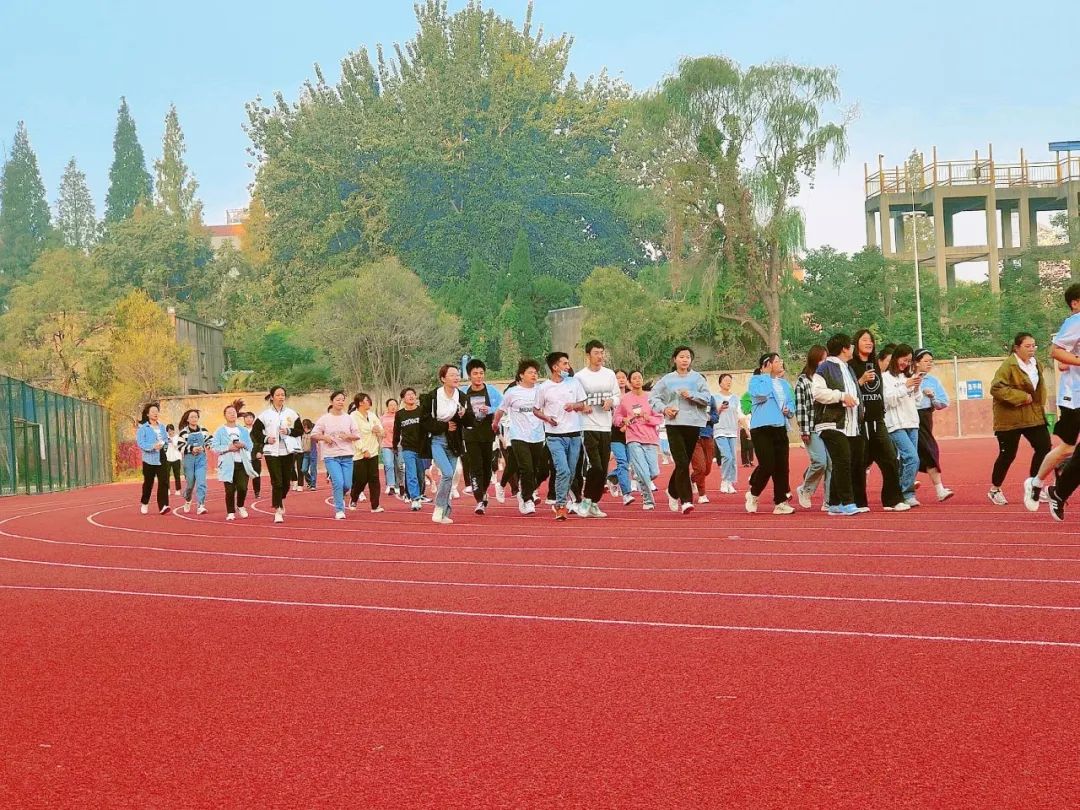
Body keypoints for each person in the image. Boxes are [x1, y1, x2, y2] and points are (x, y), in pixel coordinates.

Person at [1026, 283, 1080, 510]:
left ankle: (1061, 479)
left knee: (1071, 450)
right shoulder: (1075, 321)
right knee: (1067, 447)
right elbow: (1055, 351)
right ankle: (1037, 482)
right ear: (1075, 303)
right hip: (1074, 397)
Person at [648, 346, 713, 515]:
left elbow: (707, 398)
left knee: (682, 463)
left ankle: (672, 490)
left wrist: (691, 394)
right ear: (674, 359)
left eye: (688, 357)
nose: (685, 360)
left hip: (693, 424)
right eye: (681, 357)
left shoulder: (697, 379)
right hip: (674, 424)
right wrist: (664, 409)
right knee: (682, 462)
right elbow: (653, 397)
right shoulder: (667, 380)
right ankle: (686, 500)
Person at [987, 333, 1049, 505]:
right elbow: (996, 388)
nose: (1032, 350)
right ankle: (994, 489)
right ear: (1017, 348)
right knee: (1008, 455)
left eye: (1033, 346)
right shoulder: (1008, 366)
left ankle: (1034, 486)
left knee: (1044, 447)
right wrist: (1021, 396)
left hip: (1032, 415)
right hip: (1009, 418)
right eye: (1027, 346)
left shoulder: (1037, 364)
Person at [849, 330, 905, 512]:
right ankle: (859, 502)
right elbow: (847, 390)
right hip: (859, 422)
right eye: (864, 340)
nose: (869, 343)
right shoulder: (850, 365)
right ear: (856, 343)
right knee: (859, 463)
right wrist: (861, 381)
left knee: (890, 458)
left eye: (871, 340)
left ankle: (893, 500)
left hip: (878, 420)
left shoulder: (874, 364)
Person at [811, 334, 863, 516]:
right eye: (852, 345)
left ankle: (833, 503)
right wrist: (841, 396)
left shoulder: (848, 368)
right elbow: (817, 393)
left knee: (842, 461)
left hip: (848, 424)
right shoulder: (825, 367)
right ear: (844, 348)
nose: (854, 349)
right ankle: (848, 502)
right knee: (843, 461)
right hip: (830, 423)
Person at [534, 351, 588, 520]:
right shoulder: (544, 388)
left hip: (574, 434)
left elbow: (583, 404)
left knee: (571, 472)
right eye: (564, 364)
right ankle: (560, 505)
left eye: (568, 363)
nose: (568, 367)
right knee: (562, 470)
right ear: (555, 367)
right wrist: (547, 418)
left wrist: (574, 405)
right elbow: (536, 409)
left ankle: (562, 501)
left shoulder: (574, 383)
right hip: (554, 435)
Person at [573, 340, 622, 518]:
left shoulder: (609, 375)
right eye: (596, 353)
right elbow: (574, 401)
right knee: (596, 466)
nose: (600, 356)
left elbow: (617, 396)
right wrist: (582, 406)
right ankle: (585, 500)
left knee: (604, 468)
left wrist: (611, 402)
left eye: (602, 352)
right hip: (587, 426)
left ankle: (594, 503)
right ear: (588, 355)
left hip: (605, 426)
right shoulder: (579, 377)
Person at [494, 359, 548, 515]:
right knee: (526, 468)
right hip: (518, 436)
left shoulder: (541, 390)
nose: (534, 375)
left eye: (536, 372)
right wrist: (495, 424)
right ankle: (527, 499)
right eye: (530, 372)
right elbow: (501, 410)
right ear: (521, 375)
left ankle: (524, 491)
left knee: (537, 469)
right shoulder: (512, 392)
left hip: (537, 436)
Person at [746, 353, 796, 515]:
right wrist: (766, 375)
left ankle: (780, 502)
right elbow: (762, 395)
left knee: (782, 467)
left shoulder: (784, 384)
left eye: (780, 360)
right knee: (767, 465)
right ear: (766, 364)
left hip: (779, 427)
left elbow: (790, 402)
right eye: (776, 361)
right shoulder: (756, 380)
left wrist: (789, 410)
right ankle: (753, 494)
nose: (780, 363)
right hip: (761, 428)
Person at [423, 364, 469, 525]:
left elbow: (469, 422)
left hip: (455, 441)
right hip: (437, 439)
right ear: (443, 378)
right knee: (448, 474)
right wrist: (444, 426)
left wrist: (465, 415)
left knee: (451, 476)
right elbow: (424, 421)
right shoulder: (432, 397)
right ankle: (439, 508)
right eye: (452, 375)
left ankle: (445, 512)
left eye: (457, 374)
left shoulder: (462, 397)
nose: (456, 377)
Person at [252, 386, 305, 523]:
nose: (281, 397)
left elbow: (300, 431)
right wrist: (265, 439)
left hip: (288, 451)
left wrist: (289, 431)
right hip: (272, 452)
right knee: (277, 481)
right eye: (278, 395)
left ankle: (279, 500)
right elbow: (255, 432)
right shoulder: (264, 415)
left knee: (286, 483)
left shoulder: (292, 414)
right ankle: (278, 509)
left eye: (283, 395)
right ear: (271, 397)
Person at [614, 370, 663, 510]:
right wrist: (624, 420)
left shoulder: (651, 397)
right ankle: (648, 500)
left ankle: (639, 476)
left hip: (650, 438)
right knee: (643, 471)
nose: (637, 380)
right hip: (633, 438)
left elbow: (659, 417)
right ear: (630, 382)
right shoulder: (625, 399)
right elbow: (616, 418)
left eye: (639, 378)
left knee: (654, 472)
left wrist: (649, 418)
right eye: (634, 378)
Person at [460, 358, 503, 515]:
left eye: (481, 373)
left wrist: (490, 410)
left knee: (486, 468)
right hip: (470, 434)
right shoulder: (464, 392)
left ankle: (484, 491)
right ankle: (479, 500)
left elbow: (502, 406)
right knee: (475, 467)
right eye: (475, 373)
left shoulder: (491, 391)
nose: (479, 376)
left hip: (487, 434)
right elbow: (457, 409)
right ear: (469, 375)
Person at [311, 391, 360, 520]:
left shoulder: (349, 418)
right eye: (338, 399)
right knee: (338, 482)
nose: (340, 402)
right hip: (331, 456)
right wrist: (324, 437)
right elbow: (314, 434)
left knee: (347, 485)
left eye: (342, 400)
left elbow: (357, 435)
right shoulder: (324, 418)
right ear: (332, 401)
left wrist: (348, 436)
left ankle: (340, 496)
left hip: (347, 455)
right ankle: (339, 509)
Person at [913, 349, 954, 501]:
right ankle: (908, 483)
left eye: (931, 361)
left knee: (928, 450)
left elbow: (943, 403)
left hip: (925, 417)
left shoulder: (933, 381)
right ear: (916, 362)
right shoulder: (907, 378)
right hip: (908, 416)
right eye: (926, 361)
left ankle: (939, 489)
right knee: (915, 451)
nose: (929, 364)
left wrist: (932, 396)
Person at [793, 345, 831, 511]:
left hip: (828, 425)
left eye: (826, 358)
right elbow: (801, 407)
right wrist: (804, 430)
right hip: (812, 427)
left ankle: (829, 501)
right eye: (822, 358)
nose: (825, 361)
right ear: (814, 359)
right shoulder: (803, 380)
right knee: (820, 461)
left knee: (831, 464)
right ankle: (805, 489)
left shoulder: (827, 378)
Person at [883, 344, 922, 507]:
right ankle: (906, 492)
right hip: (895, 424)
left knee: (906, 460)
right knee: (912, 458)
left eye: (909, 361)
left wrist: (916, 387)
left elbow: (918, 400)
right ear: (895, 358)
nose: (905, 364)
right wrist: (906, 387)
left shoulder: (908, 376)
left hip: (912, 422)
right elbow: (888, 400)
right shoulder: (885, 377)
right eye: (903, 360)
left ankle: (900, 493)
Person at [211, 400, 257, 520]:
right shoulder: (220, 431)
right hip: (227, 464)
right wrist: (228, 448)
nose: (232, 414)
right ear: (225, 415)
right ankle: (230, 512)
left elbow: (250, 445)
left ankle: (240, 506)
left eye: (234, 412)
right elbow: (214, 447)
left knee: (243, 487)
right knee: (230, 490)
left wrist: (243, 445)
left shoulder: (243, 430)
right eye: (229, 412)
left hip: (242, 463)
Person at [346, 393, 384, 513]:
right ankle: (354, 498)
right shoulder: (353, 417)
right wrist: (363, 449)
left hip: (373, 451)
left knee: (374, 479)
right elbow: (355, 436)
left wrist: (379, 431)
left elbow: (381, 430)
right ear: (360, 402)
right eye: (367, 400)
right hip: (360, 453)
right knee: (361, 479)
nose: (369, 402)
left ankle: (375, 505)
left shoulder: (372, 416)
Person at [394, 387, 427, 511]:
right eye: (408, 395)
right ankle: (415, 498)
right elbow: (396, 431)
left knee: (420, 474)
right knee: (411, 474)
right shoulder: (400, 414)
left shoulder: (422, 411)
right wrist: (395, 445)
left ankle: (419, 494)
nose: (411, 396)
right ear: (403, 398)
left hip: (422, 447)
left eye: (413, 394)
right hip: (407, 448)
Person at [136, 403, 171, 515]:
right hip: (149, 458)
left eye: (157, 411)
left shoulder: (162, 427)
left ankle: (163, 505)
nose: (155, 413)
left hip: (161, 456)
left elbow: (166, 440)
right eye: (153, 411)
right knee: (148, 483)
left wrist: (164, 446)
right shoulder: (143, 428)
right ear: (148, 414)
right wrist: (152, 446)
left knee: (164, 481)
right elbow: (141, 443)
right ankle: (145, 502)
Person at [607, 369, 634, 504]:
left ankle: (612, 476)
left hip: (630, 433)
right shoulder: (612, 397)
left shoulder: (631, 396)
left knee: (627, 463)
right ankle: (626, 493)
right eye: (618, 378)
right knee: (622, 462)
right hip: (615, 434)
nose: (621, 380)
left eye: (624, 377)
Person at [177, 409, 210, 515]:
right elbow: (179, 446)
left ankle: (201, 505)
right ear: (187, 419)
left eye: (196, 417)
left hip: (201, 459)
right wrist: (192, 449)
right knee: (190, 484)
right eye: (192, 417)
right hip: (189, 460)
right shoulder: (183, 432)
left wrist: (208, 446)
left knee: (201, 483)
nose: (194, 419)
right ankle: (187, 499)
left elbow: (210, 440)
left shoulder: (203, 430)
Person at [712, 373, 740, 494]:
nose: (728, 382)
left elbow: (740, 415)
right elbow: (712, 414)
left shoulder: (735, 398)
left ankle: (730, 482)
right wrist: (720, 409)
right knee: (726, 456)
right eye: (726, 380)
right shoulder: (715, 397)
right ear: (720, 382)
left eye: (730, 380)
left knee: (733, 458)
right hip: (720, 429)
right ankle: (724, 480)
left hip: (732, 430)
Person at [690, 395, 719, 504]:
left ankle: (692, 479)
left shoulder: (710, 398)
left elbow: (716, 417)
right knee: (700, 468)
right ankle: (702, 494)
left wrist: (709, 418)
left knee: (707, 469)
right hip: (694, 437)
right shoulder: (689, 398)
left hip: (707, 435)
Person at [380, 399, 404, 498]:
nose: (393, 407)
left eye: (395, 405)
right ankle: (391, 486)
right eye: (391, 405)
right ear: (387, 407)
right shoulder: (382, 418)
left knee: (400, 466)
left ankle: (401, 484)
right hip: (386, 444)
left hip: (399, 444)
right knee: (389, 465)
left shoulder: (400, 416)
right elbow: (379, 429)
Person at [242, 410, 263, 498]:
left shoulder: (257, 430)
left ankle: (257, 492)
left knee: (256, 475)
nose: (248, 419)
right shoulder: (240, 430)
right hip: (243, 456)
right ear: (244, 419)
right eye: (246, 417)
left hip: (255, 456)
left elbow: (261, 442)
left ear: (253, 419)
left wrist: (260, 452)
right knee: (243, 476)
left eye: (250, 417)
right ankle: (243, 492)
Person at [164, 424, 183, 495]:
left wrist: (172, 442)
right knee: (166, 475)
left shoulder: (178, 437)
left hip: (176, 458)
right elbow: (164, 449)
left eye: (171, 431)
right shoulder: (166, 438)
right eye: (168, 431)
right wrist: (165, 444)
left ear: (173, 430)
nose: (169, 432)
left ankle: (178, 490)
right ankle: (167, 489)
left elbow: (179, 447)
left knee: (177, 475)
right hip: (167, 458)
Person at [300, 419, 318, 491]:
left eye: (306, 426)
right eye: (304, 427)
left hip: (313, 453)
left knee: (313, 470)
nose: (305, 428)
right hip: (305, 454)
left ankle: (313, 485)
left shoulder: (313, 432)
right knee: (304, 469)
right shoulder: (302, 433)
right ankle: (309, 481)